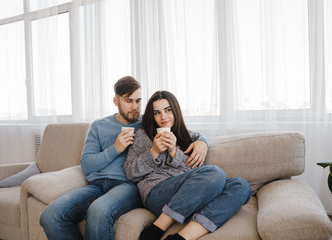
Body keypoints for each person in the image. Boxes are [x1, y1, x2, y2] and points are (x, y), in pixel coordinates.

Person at [39, 76, 207, 240]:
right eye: (128, 101)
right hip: (97, 185)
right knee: (50, 215)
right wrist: (116, 148)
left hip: (128, 186)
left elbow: (183, 132)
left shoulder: (148, 123)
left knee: (99, 211)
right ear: (116, 101)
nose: (135, 107)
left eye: (138, 101)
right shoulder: (99, 126)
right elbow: (87, 165)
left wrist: (202, 142)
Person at [124, 90, 252, 240]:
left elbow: (199, 175)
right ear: (152, 116)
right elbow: (130, 172)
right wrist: (154, 152)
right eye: (157, 113)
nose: (163, 117)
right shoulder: (142, 134)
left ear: (176, 111)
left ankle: (181, 238)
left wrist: (174, 152)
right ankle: (157, 228)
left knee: (241, 185)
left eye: (167, 110)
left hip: (190, 196)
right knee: (215, 173)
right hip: (157, 193)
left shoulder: (189, 137)